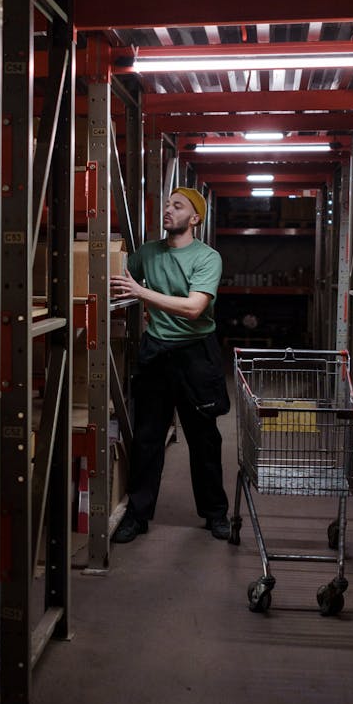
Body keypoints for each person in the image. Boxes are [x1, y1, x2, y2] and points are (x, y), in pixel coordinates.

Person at [110, 186, 231, 544]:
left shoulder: (208, 258)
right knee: (147, 438)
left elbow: (195, 308)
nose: (168, 210)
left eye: (178, 206)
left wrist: (141, 293)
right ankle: (137, 515)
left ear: (194, 218)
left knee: (204, 439)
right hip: (156, 353)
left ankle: (215, 514)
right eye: (166, 204)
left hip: (196, 355)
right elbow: (118, 279)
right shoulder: (147, 254)